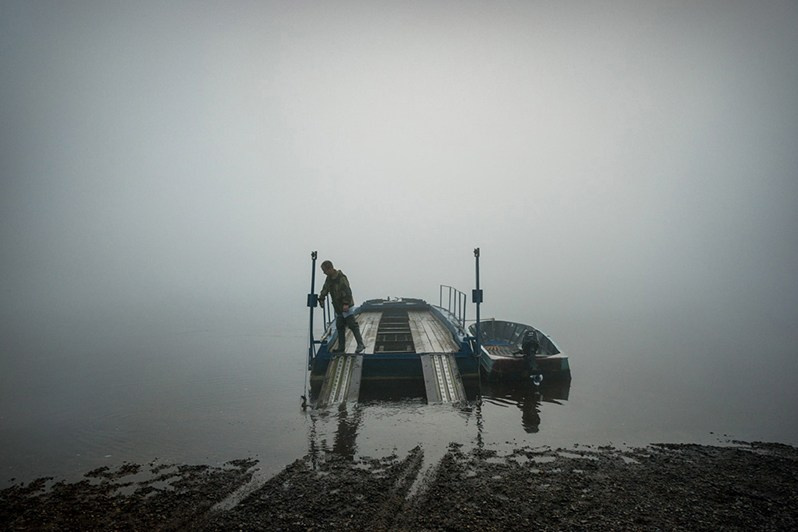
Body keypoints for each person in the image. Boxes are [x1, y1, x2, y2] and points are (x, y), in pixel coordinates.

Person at [318, 260, 366, 354]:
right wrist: (321, 298)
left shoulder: (341, 278)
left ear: (330, 268)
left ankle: (360, 344)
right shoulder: (329, 279)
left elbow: (347, 291)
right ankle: (341, 347)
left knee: (352, 325)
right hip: (338, 307)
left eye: (324, 270)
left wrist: (346, 304)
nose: (324, 273)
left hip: (345, 306)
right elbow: (325, 289)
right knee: (339, 326)